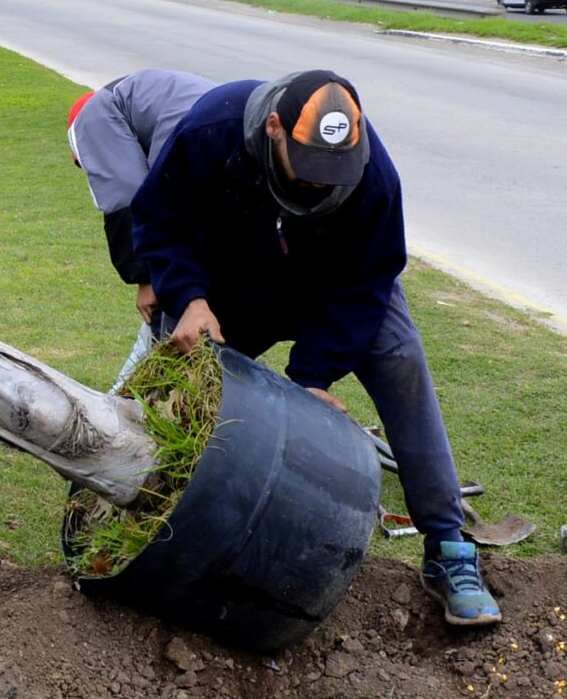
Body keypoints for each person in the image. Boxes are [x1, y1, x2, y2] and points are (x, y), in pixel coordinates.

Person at [128, 68, 501, 628]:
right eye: (309, 172)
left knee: (401, 357)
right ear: (275, 128)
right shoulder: (215, 127)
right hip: (233, 286)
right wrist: (190, 298)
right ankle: (148, 509)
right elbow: (162, 219)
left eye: (334, 174)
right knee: (179, 371)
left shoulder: (375, 176)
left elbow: (369, 281)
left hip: (332, 288)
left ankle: (447, 548)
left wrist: (312, 378)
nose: (320, 186)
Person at [65, 69, 215, 385]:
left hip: (196, 136)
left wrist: (145, 278)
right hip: (220, 135)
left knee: (167, 311)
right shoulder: (150, 98)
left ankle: (165, 411)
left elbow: (127, 200)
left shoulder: (93, 117)